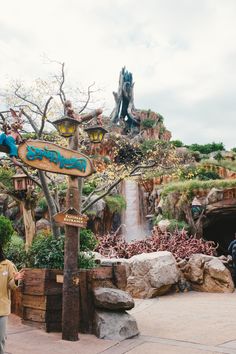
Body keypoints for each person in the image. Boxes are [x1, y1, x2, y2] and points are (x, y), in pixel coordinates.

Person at [0, 244, 25, 354]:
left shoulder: (7, 265)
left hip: (1, 308)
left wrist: (15, 280)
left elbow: (11, 286)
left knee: (1, 338)